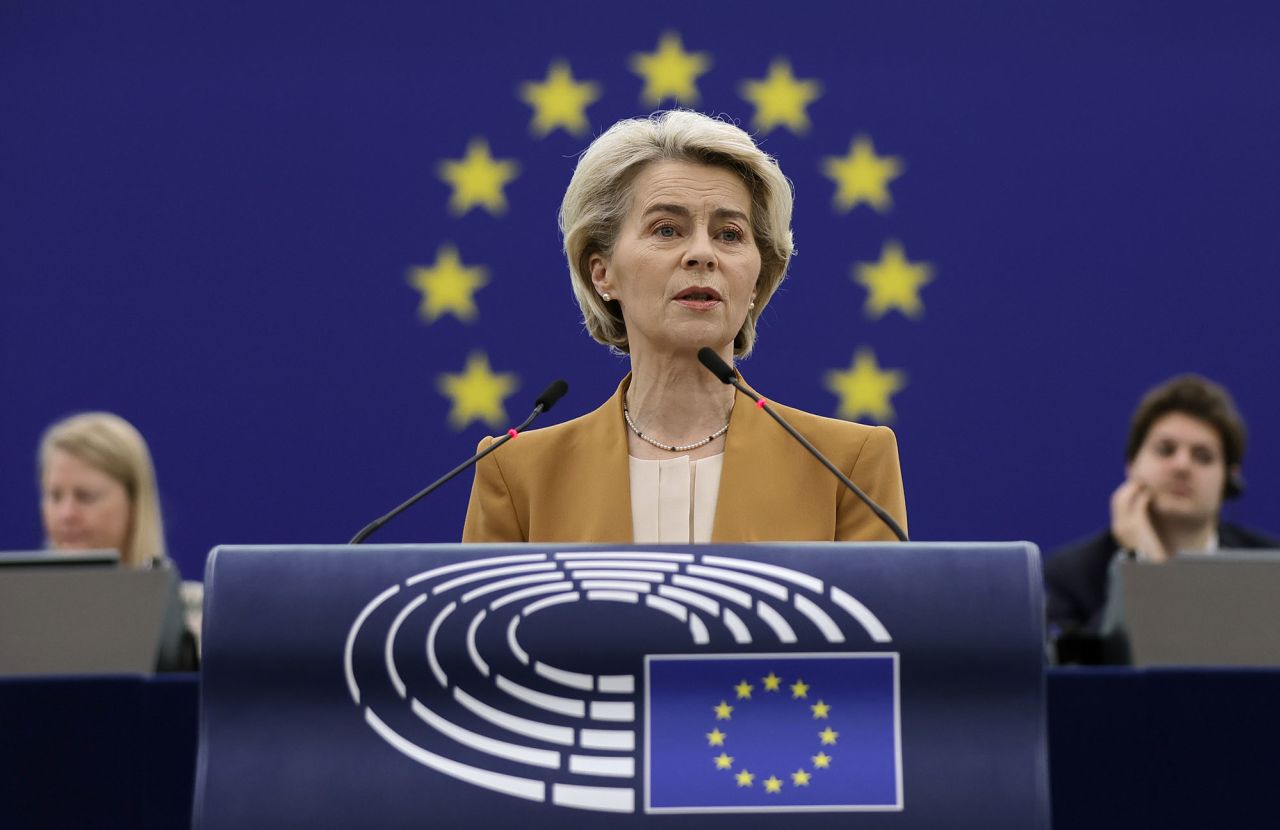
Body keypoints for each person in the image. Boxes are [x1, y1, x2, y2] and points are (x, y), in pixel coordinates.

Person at [463, 110, 907, 543]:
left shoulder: (845, 465)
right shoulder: (518, 472)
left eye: (729, 234)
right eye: (667, 229)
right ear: (602, 273)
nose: (702, 254)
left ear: (757, 278)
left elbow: (880, 619)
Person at [1045, 375, 1278, 656]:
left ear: (1229, 479)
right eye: (1165, 450)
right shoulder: (1074, 576)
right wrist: (1143, 565)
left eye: (1203, 456)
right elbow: (1076, 672)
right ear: (1132, 465)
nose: (1182, 466)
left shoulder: (1269, 570)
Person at [39, 412, 198, 671]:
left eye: (86, 496)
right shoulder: (17, 621)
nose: (66, 514)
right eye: (55, 496)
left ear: (134, 504)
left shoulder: (195, 620)